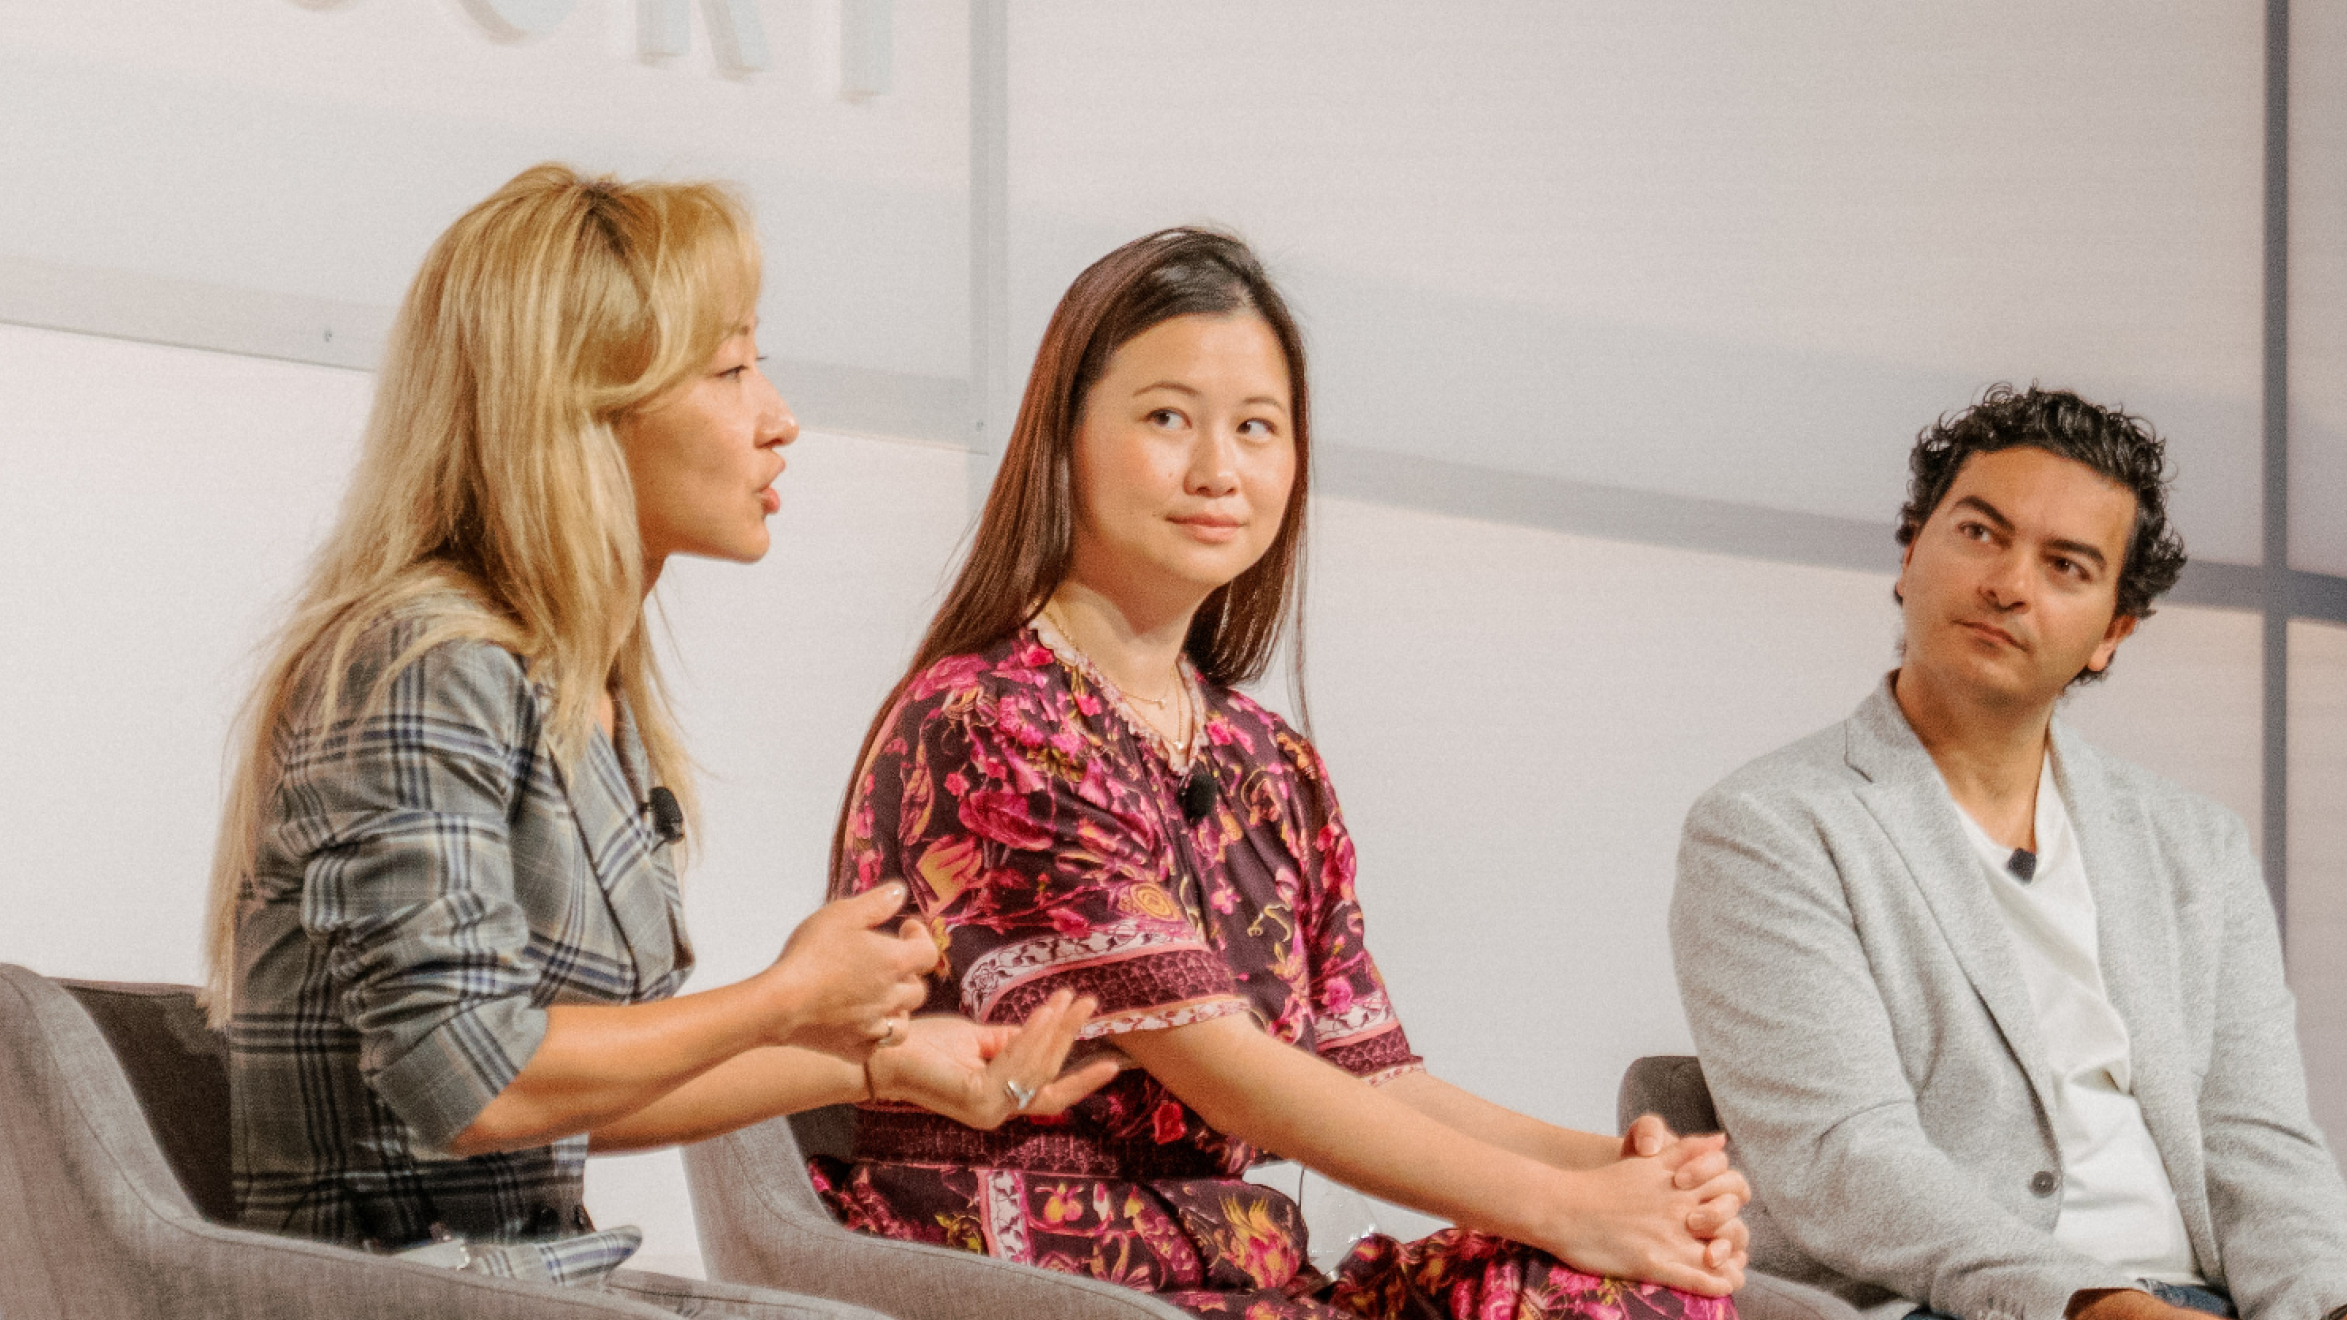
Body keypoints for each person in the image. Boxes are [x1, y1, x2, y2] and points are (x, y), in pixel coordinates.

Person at [202, 164, 1115, 1297]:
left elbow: (586, 1088)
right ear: (575, 413)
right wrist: (787, 999)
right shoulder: (421, 668)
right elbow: (474, 1082)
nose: (777, 419)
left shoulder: (581, 691)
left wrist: (883, 1066)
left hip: (519, 1281)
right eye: (729, 369)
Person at [812, 228, 1749, 1320]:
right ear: (1063, 438)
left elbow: (1368, 1075)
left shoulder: (1268, 760)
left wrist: (1617, 1173)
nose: (1218, 470)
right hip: (1052, 1285)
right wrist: (1563, 1205)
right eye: (1167, 418)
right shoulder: (994, 719)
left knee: (1627, 1289)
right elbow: (1215, 1064)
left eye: (1255, 428)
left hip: (1242, 1278)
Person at [1670, 384, 2347, 1320]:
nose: (2006, 584)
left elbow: (2257, 1142)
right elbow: (1842, 1156)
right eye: (1979, 534)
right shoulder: (1771, 825)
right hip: (1963, 1303)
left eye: (2066, 565)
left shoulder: (2196, 846)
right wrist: (2093, 1303)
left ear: (2112, 634)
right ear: (1911, 552)